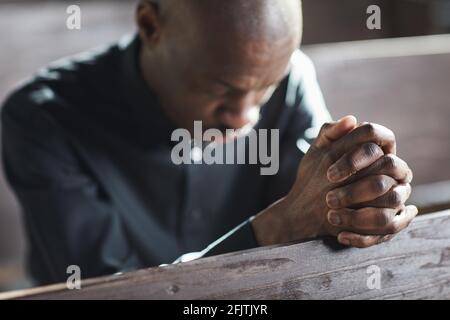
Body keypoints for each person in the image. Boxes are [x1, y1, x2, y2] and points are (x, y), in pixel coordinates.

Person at [1, 0, 416, 285]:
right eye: (220, 88)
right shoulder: (44, 119)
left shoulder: (291, 79)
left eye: (264, 89)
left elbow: (321, 208)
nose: (244, 117)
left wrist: (362, 195)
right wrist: (276, 228)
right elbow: (107, 290)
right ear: (150, 25)